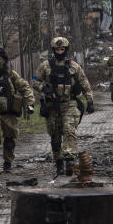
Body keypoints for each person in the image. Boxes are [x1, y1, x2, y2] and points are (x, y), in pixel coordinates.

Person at [33, 37, 96, 180]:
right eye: (57, 49)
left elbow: (84, 82)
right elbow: (34, 81)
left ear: (66, 50)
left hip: (70, 104)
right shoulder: (45, 66)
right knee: (55, 136)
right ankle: (59, 163)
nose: (59, 52)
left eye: (62, 49)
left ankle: (70, 161)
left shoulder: (74, 66)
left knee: (69, 130)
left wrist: (90, 101)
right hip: (52, 106)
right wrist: (44, 89)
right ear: (53, 50)